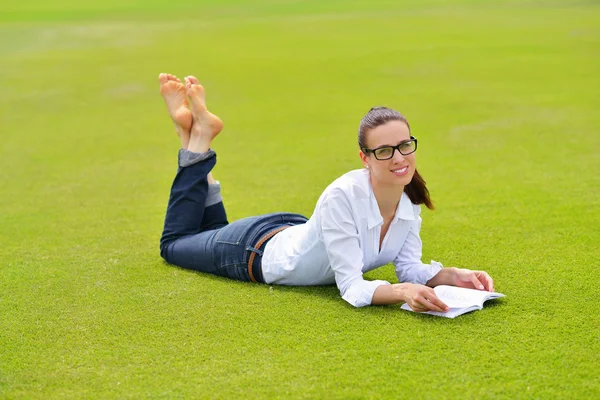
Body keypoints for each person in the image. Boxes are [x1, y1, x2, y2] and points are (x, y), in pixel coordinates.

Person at [157, 73, 495, 312]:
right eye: (384, 151)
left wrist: (451, 276)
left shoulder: (407, 200)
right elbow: (350, 287)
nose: (399, 158)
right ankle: (197, 138)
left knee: (208, 232)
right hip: (253, 251)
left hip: (292, 230)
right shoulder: (343, 195)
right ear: (365, 158)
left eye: (405, 145)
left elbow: (409, 269)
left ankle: (191, 135)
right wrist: (403, 293)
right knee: (174, 245)